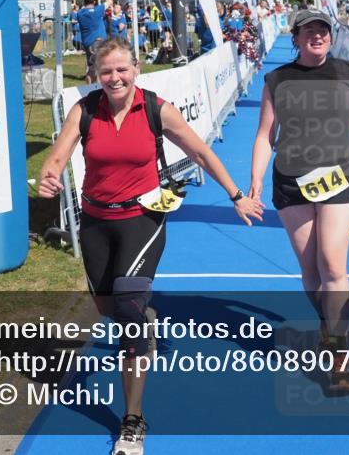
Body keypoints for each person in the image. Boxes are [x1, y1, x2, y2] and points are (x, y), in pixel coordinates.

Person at [38, 38, 263, 455]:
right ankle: (146, 316)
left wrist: (235, 195)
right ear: (95, 74)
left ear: (136, 69)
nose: (115, 78)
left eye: (122, 69)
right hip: (96, 222)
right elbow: (58, 156)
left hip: (142, 218)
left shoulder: (157, 108)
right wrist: (49, 176)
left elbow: (199, 151)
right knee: (108, 308)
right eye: (106, 71)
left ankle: (133, 420)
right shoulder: (84, 110)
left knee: (127, 312)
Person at [250, 9, 349, 395]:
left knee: (332, 263)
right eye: (308, 29)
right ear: (295, 37)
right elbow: (265, 134)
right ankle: (329, 324)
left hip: (340, 177)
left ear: (331, 36)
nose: (317, 35)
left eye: (323, 29)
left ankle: (340, 358)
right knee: (310, 270)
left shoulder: (348, 72)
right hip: (291, 182)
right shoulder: (278, 79)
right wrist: (256, 178)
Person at [77, 0, 109, 83]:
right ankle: (99, 88)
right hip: (98, 42)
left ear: (84, 2)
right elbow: (109, 1)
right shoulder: (97, 10)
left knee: (91, 68)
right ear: (94, 2)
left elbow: (86, 9)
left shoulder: (80, 13)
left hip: (87, 43)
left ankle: (89, 88)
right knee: (100, 68)